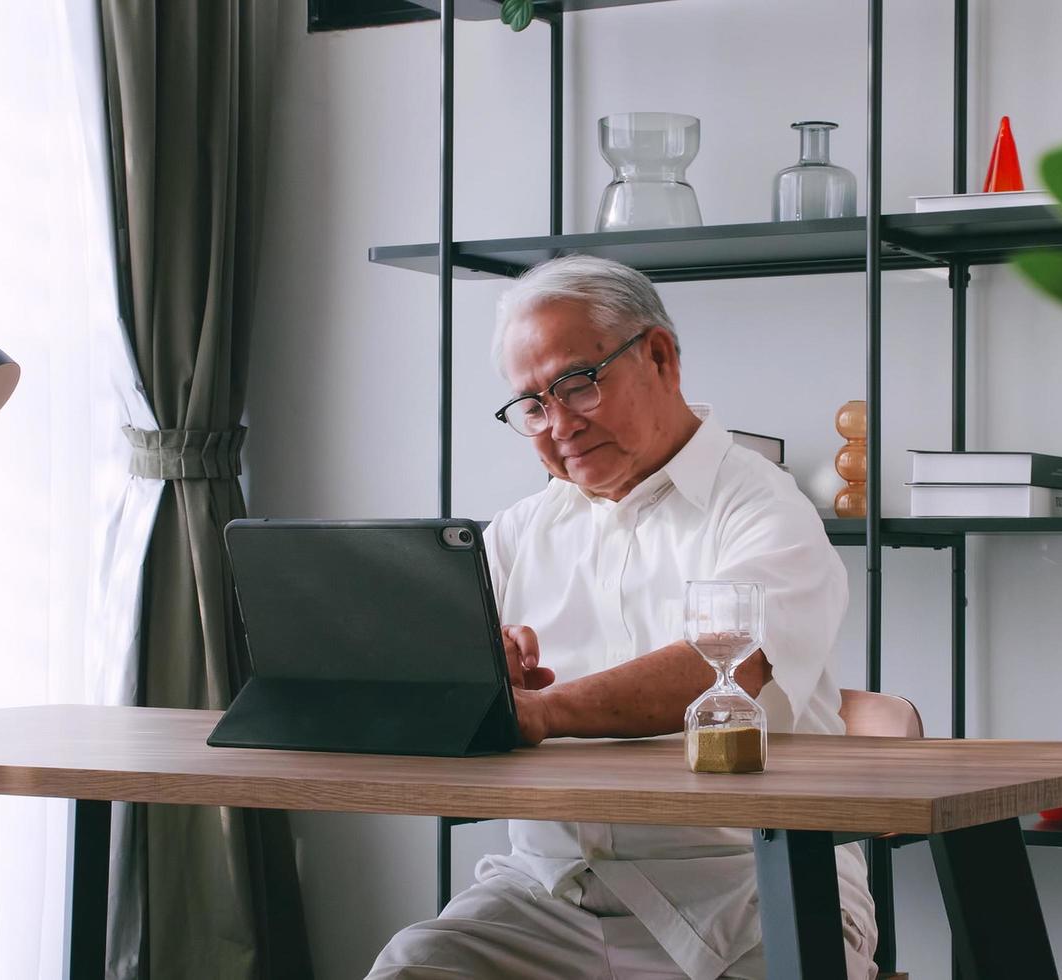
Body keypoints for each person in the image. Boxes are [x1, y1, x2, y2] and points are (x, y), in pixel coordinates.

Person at [369, 255, 877, 979]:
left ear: (660, 357)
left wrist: (541, 711)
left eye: (578, 383)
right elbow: (427, 674)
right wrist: (475, 673)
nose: (559, 424)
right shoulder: (517, 532)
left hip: (749, 892)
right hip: (550, 896)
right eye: (534, 404)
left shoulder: (765, 509)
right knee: (413, 966)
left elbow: (719, 665)